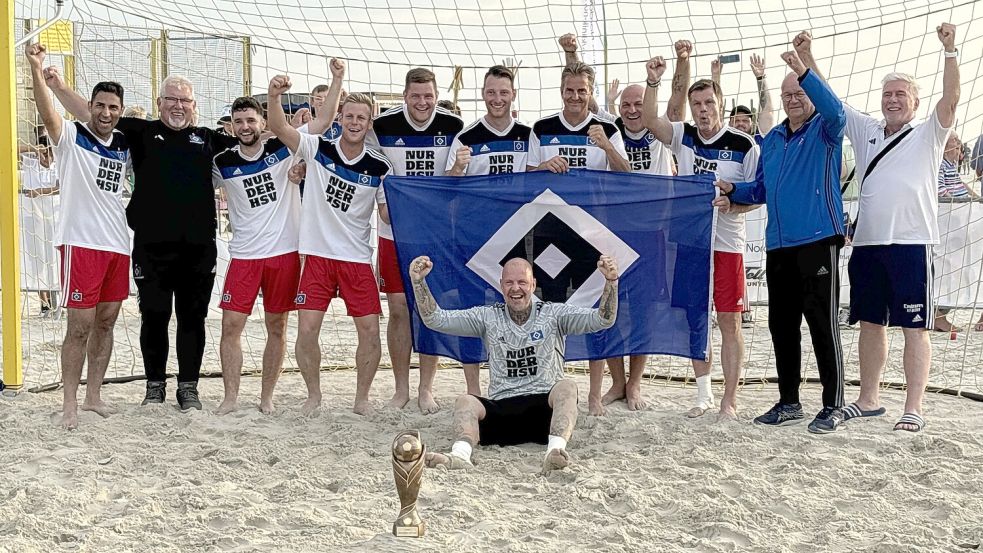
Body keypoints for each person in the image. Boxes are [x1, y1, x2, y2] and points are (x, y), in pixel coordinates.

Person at [798, 25, 960, 432]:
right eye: (887, 94)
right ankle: (868, 399)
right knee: (870, 323)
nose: (892, 100)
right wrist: (806, 58)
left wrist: (950, 50)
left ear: (914, 102)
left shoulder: (928, 133)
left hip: (911, 243)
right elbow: (829, 99)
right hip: (868, 244)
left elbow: (952, 99)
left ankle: (914, 407)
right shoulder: (867, 129)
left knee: (915, 328)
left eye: (900, 94)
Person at [48, 68, 237, 411]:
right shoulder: (139, 132)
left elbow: (253, 139)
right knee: (154, 317)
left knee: (193, 318)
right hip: (150, 247)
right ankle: (154, 386)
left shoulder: (210, 139)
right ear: (159, 103)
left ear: (195, 105)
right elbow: (90, 113)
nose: (178, 106)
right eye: (171, 100)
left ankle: (189, 387)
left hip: (198, 248)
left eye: (185, 100)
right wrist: (59, 86)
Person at [713, 46, 847, 433]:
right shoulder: (771, 139)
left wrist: (803, 70)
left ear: (809, 93)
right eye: (787, 94)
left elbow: (836, 108)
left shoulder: (826, 128)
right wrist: (732, 189)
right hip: (779, 245)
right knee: (781, 325)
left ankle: (833, 405)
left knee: (822, 324)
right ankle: (789, 401)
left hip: (818, 239)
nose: (793, 99)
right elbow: (761, 188)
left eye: (799, 93)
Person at [414, 255, 619, 473]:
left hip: (545, 414)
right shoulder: (487, 316)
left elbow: (603, 319)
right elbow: (435, 319)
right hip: (503, 411)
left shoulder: (554, 314)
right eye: (509, 283)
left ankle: (555, 452)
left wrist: (611, 282)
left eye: (522, 282)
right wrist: (418, 282)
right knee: (465, 401)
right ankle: (460, 455)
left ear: (533, 284)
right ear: (501, 286)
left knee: (568, 387)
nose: (516, 288)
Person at [642, 44, 760, 421]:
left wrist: (734, 202)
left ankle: (730, 399)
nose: (703, 110)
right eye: (697, 104)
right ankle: (703, 394)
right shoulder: (685, 136)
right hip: (691, 244)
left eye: (709, 103)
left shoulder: (744, 144)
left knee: (729, 321)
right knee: (695, 319)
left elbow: (758, 195)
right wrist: (653, 82)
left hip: (728, 245)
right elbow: (649, 119)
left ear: (720, 105)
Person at [266, 68, 394, 416]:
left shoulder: (379, 166)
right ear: (339, 118)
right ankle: (314, 395)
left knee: (369, 330)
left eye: (362, 118)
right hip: (318, 256)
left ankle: (362, 398)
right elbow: (280, 129)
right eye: (349, 116)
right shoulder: (318, 147)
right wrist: (274, 96)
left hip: (355, 257)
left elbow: (385, 214)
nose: (355, 122)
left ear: (370, 124)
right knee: (306, 329)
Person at [26, 43, 131, 429]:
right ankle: (68, 402)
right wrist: (39, 71)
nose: (106, 113)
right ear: (90, 106)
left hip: (118, 245)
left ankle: (93, 396)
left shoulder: (123, 143)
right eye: (100, 105)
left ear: (120, 111)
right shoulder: (71, 135)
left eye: (113, 107)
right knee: (79, 327)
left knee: (106, 323)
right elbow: (47, 111)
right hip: (81, 244)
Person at [365, 67, 464, 414]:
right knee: (398, 311)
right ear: (404, 96)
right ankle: (401, 389)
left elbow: (453, 183)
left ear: (436, 96)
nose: (423, 103)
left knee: (429, 309)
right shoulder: (383, 127)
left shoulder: (453, 126)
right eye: (416, 96)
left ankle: (426, 389)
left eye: (429, 97)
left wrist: (453, 175)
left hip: (434, 233)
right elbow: (373, 170)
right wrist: (381, 202)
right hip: (394, 233)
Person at [586, 83, 675, 414]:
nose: (633, 109)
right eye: (627, 104)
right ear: (620, 107)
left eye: (639, 103)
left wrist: (664, 75)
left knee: (643, 311)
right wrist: (571, 55)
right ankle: (617, 382)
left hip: (651, 234)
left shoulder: (659, 129)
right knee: (609, 308)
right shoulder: (613, 128)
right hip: (613, 233)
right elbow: (587, 98)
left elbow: (676, 100)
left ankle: (635, 383)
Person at [211, 96, 303, 415]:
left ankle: (267, 398)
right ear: (231, 126)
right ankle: (231, 398)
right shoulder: (222, 161)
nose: (245, 126)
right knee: (231, 327)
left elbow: (318, 128)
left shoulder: (284, 149)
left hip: (283, 253)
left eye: (251, 120)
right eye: (239, 121)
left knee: (277, 326)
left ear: (263, 123)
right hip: (245, 256)